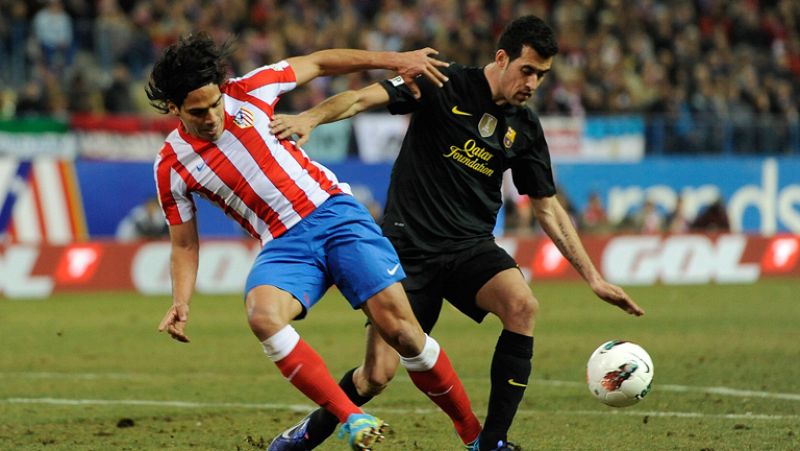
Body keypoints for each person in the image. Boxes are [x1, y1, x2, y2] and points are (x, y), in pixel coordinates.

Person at [268, 15, 645, 451]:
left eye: (542, 75)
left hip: (470, 248)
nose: (533, 83)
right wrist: (312, 117)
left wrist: (593, 278)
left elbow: (546, 206)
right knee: (376, 376)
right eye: (527, 70)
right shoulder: (440, 82)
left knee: (522, 305)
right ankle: (302, 438)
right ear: (501, 58)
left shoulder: (524, 127)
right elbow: (360, 99)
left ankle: (492, 444)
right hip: (406, 250)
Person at [146, 33, 482, 450]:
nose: (213, 116)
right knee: (263, 315)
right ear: (174, 109)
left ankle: (476, 437)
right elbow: (184, 244)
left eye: (215, 104)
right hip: (284, 244)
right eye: (198, 112)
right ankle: (351, 417)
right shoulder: (170, 166)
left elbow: (320, 62)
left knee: (404, 338)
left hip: (334, 214)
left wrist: (394, 60)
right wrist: (182, 301)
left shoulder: (250, 89)